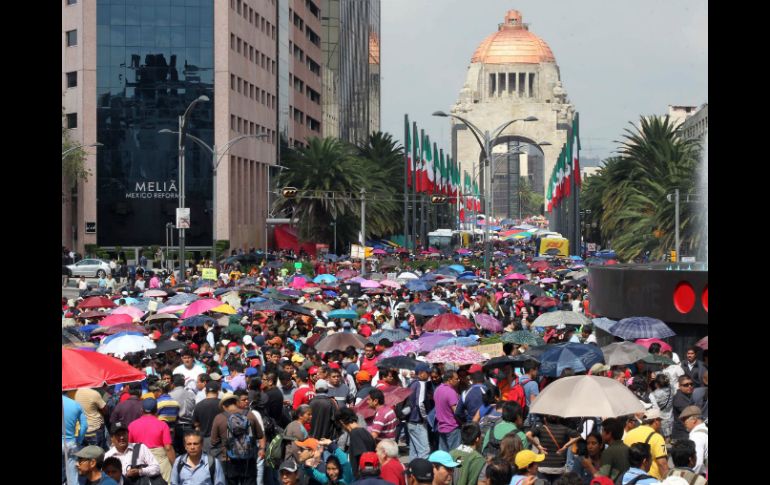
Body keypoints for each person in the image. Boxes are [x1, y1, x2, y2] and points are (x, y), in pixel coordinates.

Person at [210, 393, 264, 485]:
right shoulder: (249, 415)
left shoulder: (219, 418)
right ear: (236, 402)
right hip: (248, 458)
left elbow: (213, 441)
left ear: (223, 406)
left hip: (228, 459)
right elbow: (260, 435)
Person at [128, 398, 175, 482]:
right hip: (160, 459)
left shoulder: (132, 425)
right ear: (156, 410)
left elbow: (129, 446)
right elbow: (168, 448)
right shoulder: (162, 425)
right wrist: (174, 465)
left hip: (140, 460)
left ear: (141, 410)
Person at [528, 415, 580, 483]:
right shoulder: (564, 429)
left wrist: (538, 446)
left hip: (543, 466)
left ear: (545, 418)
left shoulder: (541, 428)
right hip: (558, 467)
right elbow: (579, 436)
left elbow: (528, 435)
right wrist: (566, 446)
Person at [622, 409, 668, 480]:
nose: (661, 424)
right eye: (660, 421)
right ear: (656, 421)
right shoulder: (657, 437)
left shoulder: (629, 434)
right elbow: (662, 463)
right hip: (651, 479)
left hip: (631, 478)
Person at [338, 408, 376, 479]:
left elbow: (365, 458)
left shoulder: (355, 433)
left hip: (362, 478)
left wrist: (364, 479)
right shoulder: (365, 432)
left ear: (342, 422)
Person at [406, 362, 431, 460]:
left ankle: (411, 472)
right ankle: (422, 474)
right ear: (421, 373)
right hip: (418, 422)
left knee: (414, 451)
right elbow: (420, 403)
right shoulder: (421, 384)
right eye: (427, 373)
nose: (428, 375)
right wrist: (425, 417)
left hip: (410, 421)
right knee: (424, 450)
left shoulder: (412, 383)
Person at [64, 393, 89, 485]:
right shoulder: (75, 404)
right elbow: (85, 426)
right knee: (73, 479)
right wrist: (79, 440)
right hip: (70, 443)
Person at [169, 374, 197, 454]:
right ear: (184, 383)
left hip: (176, 427)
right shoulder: (192, 394)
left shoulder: (170, 395)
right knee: (190, 452)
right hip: (189, 426)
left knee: (178, 453)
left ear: (173, 383)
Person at [433, 371, 461, 451]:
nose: (458, 380)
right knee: (455, 455)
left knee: (444, 456)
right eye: (456, 379)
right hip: (452, 427)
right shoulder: (451, 392)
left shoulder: (437, 390)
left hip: (441, 427)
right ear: (450, 380)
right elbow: (457, 412)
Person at [193, 381, 222, 455]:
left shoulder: (198, 405)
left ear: (205, 391)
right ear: (218, 391)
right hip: (219, 441)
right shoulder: (222, 405)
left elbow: (196, 425)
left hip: (205, 440)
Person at [596, 417, 630, 483]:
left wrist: (589, 466)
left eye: (603, 431)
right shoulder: (628, 448)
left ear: (609, 434)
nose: (601, 434)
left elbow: (602, 478)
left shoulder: (608, 452)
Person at [679, 406, 707, 475]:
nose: (683, 423)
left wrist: (689, 478)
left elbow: (698, 463)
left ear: (694, 419)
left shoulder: (696, 436)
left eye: (684, 419)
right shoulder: (705, 430)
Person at [648, 374, 674, 439]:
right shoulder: (671, 389)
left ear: (657, 383)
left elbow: (655, 408)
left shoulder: (653, 394)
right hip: (670, 417)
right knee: (669, 437)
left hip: (660, 419)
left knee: (660, 438)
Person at [670, 377, 695, 442]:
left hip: (686, 433)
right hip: (681, 435)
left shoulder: (689, 395)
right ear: (679, 386)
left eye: (691, 384)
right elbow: (692, 413)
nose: (689, 386)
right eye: (686, 385)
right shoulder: (679, 398)